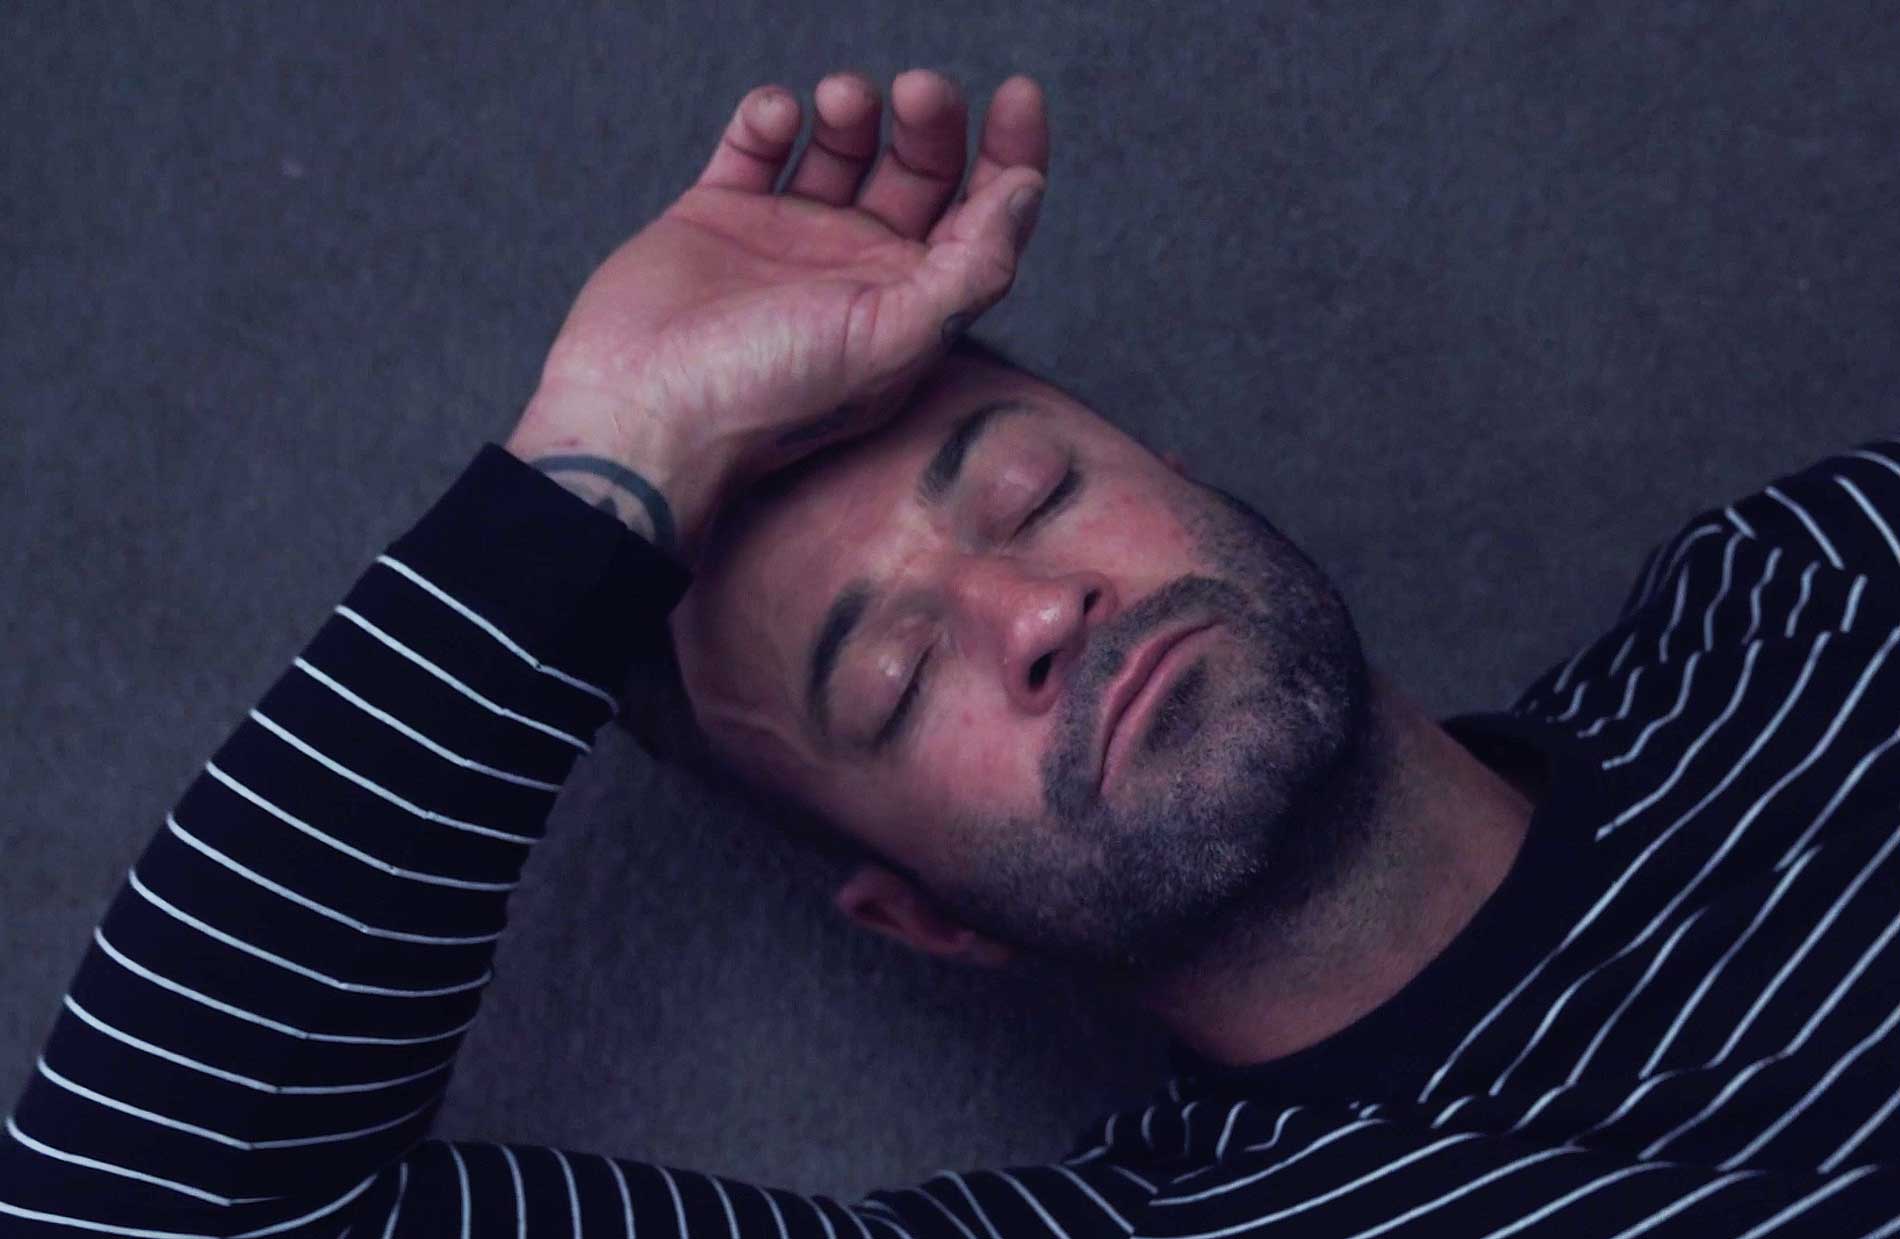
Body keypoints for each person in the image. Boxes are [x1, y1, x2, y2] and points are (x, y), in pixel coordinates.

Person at [4, 63, 1898, 1238]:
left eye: (1032, 492)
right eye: (894, 684)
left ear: (1191, 476)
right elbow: (147, 1213)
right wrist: (602, 460)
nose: (1036, 613)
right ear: (927, 920)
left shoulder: (1805, 597)